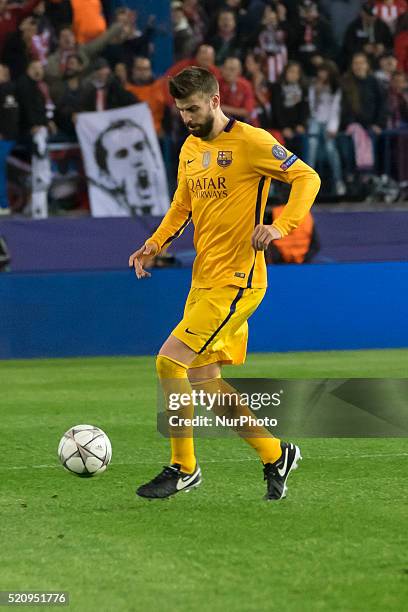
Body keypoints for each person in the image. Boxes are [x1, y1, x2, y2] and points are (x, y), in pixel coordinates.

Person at [128, 67, 320, 501]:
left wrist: (280, 225)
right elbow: (182, 205)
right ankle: (276, 453)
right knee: (204, 379)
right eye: (180, 111)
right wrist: (153, 244)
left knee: (168, 363)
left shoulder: (252, 142)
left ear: (215, 101)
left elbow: (308, 177)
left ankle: (184, 467)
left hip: (238, 280)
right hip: (204, 279)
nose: (187, 118)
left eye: (193, 108)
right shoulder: (190, 148)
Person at [219, 56, 256, 124]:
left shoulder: (246, 85)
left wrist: (224, 108)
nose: (228, 72)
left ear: (239, 71)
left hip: (242, 122)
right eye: (226, 68)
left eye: (232, 69)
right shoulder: (216, 83)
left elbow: (248, 111)